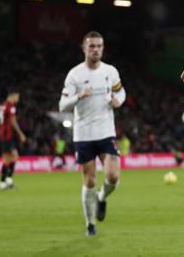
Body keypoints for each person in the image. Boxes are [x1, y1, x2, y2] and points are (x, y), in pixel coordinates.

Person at [59, 31, 126, 237]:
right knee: (89, 181)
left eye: (99, 46)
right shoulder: (75, 75)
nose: (96, 49)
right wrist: (79, 96)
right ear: (84, 48)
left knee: (113, 176)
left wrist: (118, 101)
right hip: (84, 134)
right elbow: (62, 105)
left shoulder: (110, 71)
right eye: (92, 46)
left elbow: (121, 91)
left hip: (106, 131)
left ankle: (102, 197)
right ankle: (90, 224)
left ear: (103, 48)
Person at [0, 90, 27, 190]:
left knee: (11, 157)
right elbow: (13, 121)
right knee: (10, 158)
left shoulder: (2, 106)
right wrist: (21, 134)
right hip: (7, 136)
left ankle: (6, 181)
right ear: (13, 96)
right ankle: (5, 181)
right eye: (18, 97)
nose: (18, 99)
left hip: (2, 135)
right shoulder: (11, 106)